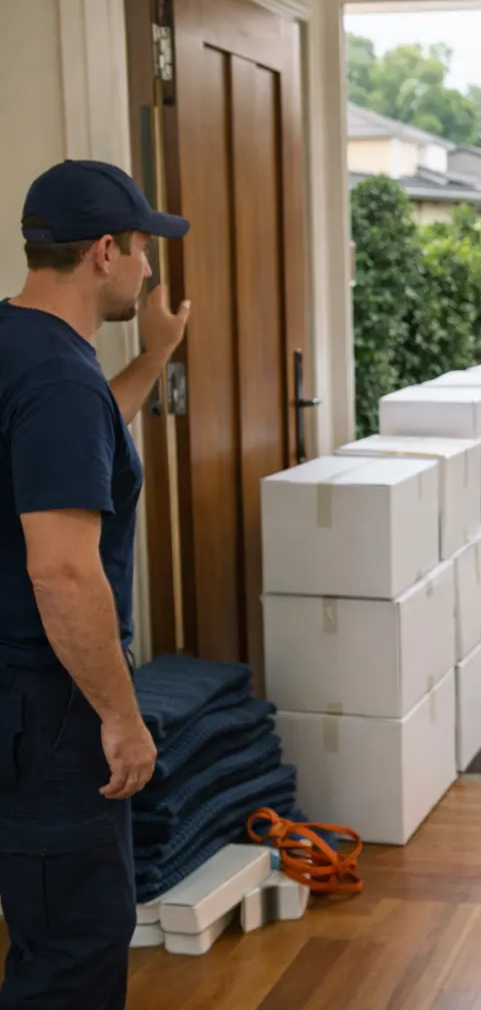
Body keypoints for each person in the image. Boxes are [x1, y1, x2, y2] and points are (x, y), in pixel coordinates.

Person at [0, 159, 190, 1008]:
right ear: (105, 252)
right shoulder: (60, 380)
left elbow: (78, 445)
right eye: (145, 249)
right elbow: (64, 569)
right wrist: (121, 719)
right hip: (49, 708)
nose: (151, 270)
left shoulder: (19, 348)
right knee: (74, 948)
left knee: (41, 930)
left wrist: (153, 360)